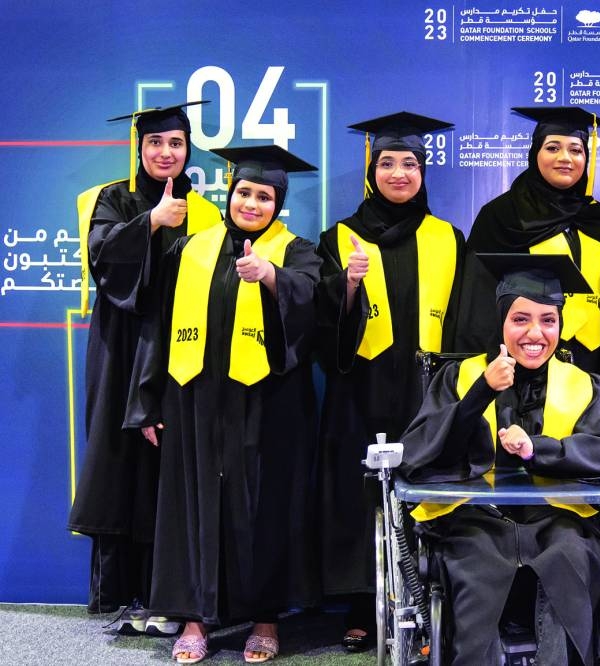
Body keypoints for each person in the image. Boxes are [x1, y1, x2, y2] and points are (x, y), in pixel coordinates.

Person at [400, 253, 600, 666]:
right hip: (477, 519)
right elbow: (421, 452)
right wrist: (481, 392)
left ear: (560, 326)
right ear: (500, 322)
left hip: (559, 518)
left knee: (571, 555)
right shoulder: (459, 377)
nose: (536, 333)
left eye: (548, 320)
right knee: (476, 564)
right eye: (520, 319)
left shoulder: (583, 384)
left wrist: (539, 450)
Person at [124, 145, 322, 664]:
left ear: (277, 204)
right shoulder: (189, 249)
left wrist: (273, 278)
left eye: (264, 196)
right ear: (229, 194)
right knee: (191, 506)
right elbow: (156, 326)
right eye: (244, 193)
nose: (252, 204)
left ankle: (264, 619)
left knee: (267, 508)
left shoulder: (295, 250)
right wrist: (147, 399)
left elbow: (315, 308)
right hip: (194, 401)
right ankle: (195, 620)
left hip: (270, 405)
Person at [67, 101, 221, 634]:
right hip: (119, 345)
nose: (165, 153)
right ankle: (122, 592)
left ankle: (166, 595)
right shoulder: (113, 198)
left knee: (166, 463)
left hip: (175, 348)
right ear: (140, 147)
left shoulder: (204, 212)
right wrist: (151, 221)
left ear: (187, 151)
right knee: (118, 457)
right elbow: (100, 257)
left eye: (176, 144)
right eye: (156, 143)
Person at [314, 112, 465, 652]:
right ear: (371, 170)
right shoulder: (339, 238)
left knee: (430, 491)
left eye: (409, 163)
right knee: (360, 497)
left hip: (429, 393)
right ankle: (363, 603)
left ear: (423, 171)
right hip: (361, 391)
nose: (399, 173)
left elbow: (466, 320)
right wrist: (347, 288)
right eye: (388, 163)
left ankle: (431, 599)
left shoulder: (448, 237)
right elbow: (322, 325)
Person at [455, 107, 600, 396]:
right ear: (535, 153)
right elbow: (479, 299)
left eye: (576, 150)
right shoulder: (503, 216)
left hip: (590, 362)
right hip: (526, 361)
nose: (565, 158)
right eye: (553, 147)